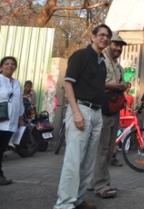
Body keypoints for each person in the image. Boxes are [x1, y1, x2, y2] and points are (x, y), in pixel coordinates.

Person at [54, 24, 111, 209]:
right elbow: (68, 84)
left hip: (96, 112)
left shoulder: (101, 61)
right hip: (81, 110)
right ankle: (64, 204)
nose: (104, 38)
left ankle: (77, 199)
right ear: (92, 37)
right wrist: (76, 112)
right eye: (101, 35)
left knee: (87, 161)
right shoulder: (81, 56)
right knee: (74, 159)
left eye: (107, 36)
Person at [91, 34, 128, 199]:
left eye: (120, 46)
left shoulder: (120, 68)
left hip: (115, 110)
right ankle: (101, 185)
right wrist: (110, 85)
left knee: (109, 149)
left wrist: (124, 86)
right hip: (101, 110)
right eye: (115, 45)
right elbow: (93, 84)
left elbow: (120, 86)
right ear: (108, 44)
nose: (118, 48)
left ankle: (97, 182)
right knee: (102, 148)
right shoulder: (100, 62)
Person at [0, 57, 24, 186]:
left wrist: (21, 118)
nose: (10, 66)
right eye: (6, 64)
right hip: (0, 119)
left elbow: (19, 102)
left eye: (12, 64)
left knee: (2, 148)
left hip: (11, 121)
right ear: (1, 67)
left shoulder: (17, 83)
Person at [114, 82, 135, 166]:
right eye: (127, 86)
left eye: (129, 87)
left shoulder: (131, 97)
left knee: (127, 132)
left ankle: (125, 148)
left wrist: (132, 112)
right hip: (120, 113)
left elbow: (132, 106)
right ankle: (117, 146)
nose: (128, 88)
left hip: (127, 114)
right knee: (118, 132)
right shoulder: (119, 96)